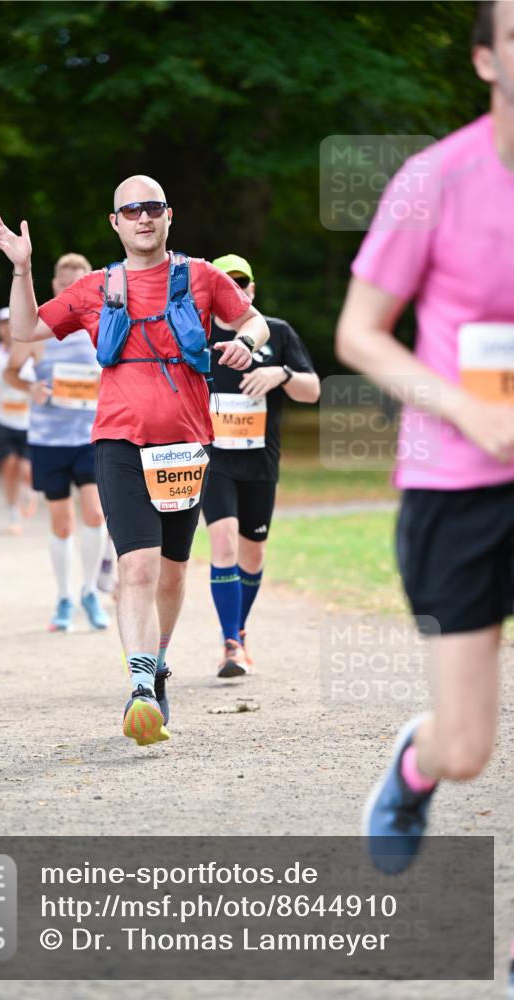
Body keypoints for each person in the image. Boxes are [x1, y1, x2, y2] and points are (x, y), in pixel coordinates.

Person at [0, 175, 269, 745]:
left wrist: (248, 343)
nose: (144, 217)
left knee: (172, 570)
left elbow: (252, 320)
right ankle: (141, 688)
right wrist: (21, 268)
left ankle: (158, 663)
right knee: (136, 567)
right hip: (118, 443)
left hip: (186, 445)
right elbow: (24, 328)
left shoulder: (202, 277)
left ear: (169, 215)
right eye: (132, 210)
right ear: (115, 222)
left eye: (153, 208)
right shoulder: (95, 287)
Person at [335, 0, 514, 874]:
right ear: (485, 59)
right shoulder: (433, 179)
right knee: (466, 749)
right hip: (459, 485)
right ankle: (417, 760)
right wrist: (467, 410)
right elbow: (358, 333)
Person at [204, 254, 320, 677]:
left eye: (241, 284)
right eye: (226, 283)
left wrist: (280, 375)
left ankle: (240, 629)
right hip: (213, 459)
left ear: (251, 290)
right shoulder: (198, 332)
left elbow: (312, 390)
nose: (234, 290)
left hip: (260, 460)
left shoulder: (278, 332)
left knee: (252, 554)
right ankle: (231, 645)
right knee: (224, 544)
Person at [4, 253, 111, 630]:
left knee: (95, 513)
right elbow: (11, 372)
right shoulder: (38, 329)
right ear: (54, 286)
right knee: (62, 524)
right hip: (48, 440)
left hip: (91, 436)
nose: (72, 290)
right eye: (65, 284)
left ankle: (91, 593)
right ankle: (65, 598)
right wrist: (30, 387)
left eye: (78, 283)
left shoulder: (103, 325)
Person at [0, 308, 37, 535]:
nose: (8, 327)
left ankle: (30, 491)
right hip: (2, 420)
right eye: (3, 324)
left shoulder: (33, 352)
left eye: (11, 322)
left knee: (27, 470)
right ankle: (13, 513)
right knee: (9, 468)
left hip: (29, 421)